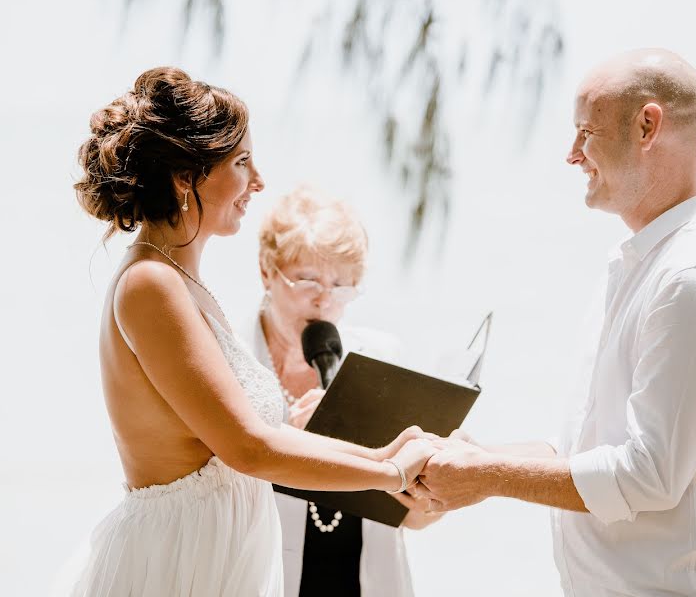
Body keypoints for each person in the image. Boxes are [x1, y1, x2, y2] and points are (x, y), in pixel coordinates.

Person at [64, 67, 434, 597]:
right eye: (241, 162)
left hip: (216, 560)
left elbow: (258, 438)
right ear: (184, 177)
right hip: (180, 566)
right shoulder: (150, 283)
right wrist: (390, 474)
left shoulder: (183, 283)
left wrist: (381, 457)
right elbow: (249, 447)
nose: (258, 181)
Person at [415, 49, 696, 596]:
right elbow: (588, 452)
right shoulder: (640, 264)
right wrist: (475, 456)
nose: (572, 155)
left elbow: (648, 476)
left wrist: (485, 477)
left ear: (647, 126)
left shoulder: (694, 278)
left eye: (586, 131)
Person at [249, 186, 442, 597]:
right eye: (307, 280)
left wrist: (430, 490)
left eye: (342, 285)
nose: (324, 300)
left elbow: (415, 517)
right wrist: (300, 442)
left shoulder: (383, 357)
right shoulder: (232, 361)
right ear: (267, 271)